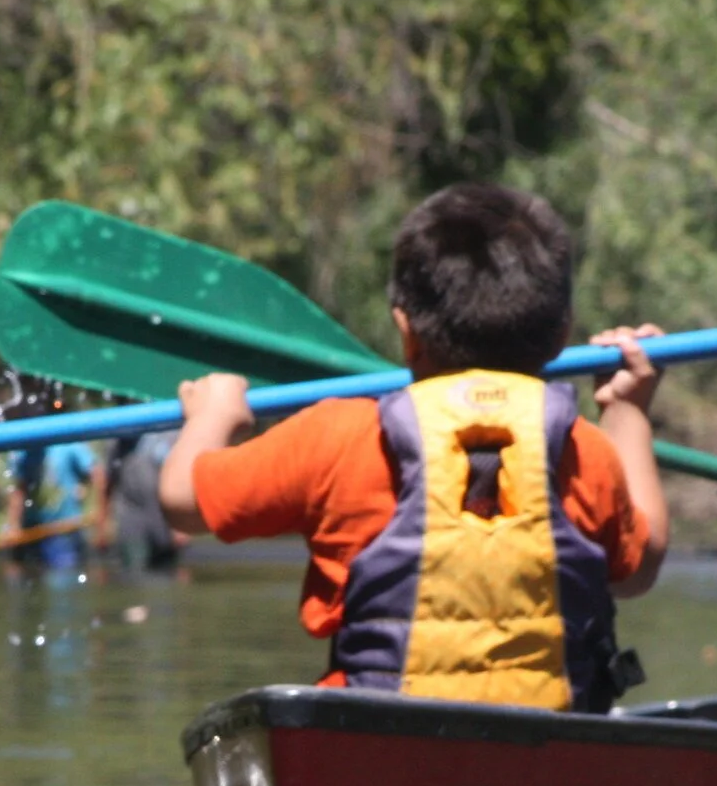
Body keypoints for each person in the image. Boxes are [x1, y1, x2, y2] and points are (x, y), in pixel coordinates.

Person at [157, 183, 669, 712]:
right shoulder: (586, 450)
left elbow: (181, 499)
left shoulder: (335, 436)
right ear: (563, 334)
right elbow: (640, 566)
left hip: (377, 747)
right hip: (547, 750)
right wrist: (628, 410)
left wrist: (212, 416)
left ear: (405, 332)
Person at [7, 436, 105, 572]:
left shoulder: (66, 443)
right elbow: (19, 490)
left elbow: (97, 473)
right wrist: (13, 526)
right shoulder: (22, 452)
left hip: (65, 531)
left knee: (62, 578)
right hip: (33, 532)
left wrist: (99, 514)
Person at [106, 430, 184, 571]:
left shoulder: (164, 436)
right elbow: (107, 484)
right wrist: (103, 523)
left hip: (162, 522)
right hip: (131, 524)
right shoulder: (116, 442)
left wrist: (179, 527)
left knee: (167, 573)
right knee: (135, 571)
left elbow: (176, 481)